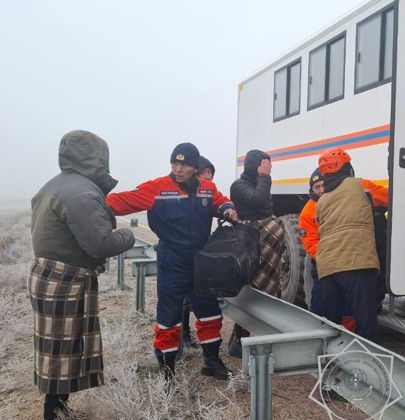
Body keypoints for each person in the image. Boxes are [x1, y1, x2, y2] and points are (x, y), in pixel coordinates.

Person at [30, 130, 136, 420]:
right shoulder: (81, 193)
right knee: (62, 354)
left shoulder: (56, 184)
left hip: (51, 276)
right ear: (96, 157)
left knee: (60, 353)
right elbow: (100, 243)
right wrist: (130, 235)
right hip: (66, 281)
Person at [106, 143, 237, 380]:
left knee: (209, 312)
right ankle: (167, 370)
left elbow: (221, 201)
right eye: (174, 163)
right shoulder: (156, 188)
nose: (177, 168)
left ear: (195, 167)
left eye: (184, 164)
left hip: (201, 261)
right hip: (172, 259)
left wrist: (228, 209)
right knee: (169, 315)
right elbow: (119, 202)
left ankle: (212, 361)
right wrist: (90, 202)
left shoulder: (207, 188)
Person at [299, 168, 388, 331]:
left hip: (347, 256)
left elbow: (385, 197)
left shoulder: (347, 195)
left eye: (322, 185)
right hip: (326, 260)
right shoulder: (308, 211)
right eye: (315, 188)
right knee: (324, 305)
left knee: (353, 305)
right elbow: (311, 243)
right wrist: (331, 256)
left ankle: (350, 334)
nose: (320, 190)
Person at [314, 148, 381, 340]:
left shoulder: (321, 201)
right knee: (366, 326)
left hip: (327, 267)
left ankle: (332, 365)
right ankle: (365, 366)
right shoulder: (361, 185)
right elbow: (388, 197)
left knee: (332, 327)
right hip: (356, 262)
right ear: (349, 169)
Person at [227, 149, 286, 357]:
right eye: (264, 164)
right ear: (254, 166)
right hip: (252, 243)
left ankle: (266, 339)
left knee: (271, 287)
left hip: (269, 246)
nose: (268, 168)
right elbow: (259, 201)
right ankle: (239, 340)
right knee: (250, 286)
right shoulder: (239, 186)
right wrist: (264, 177)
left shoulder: (261, 182)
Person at [179, 154, 217, 350]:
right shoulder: (182, 192)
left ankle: (201, 339)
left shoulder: (208, 193)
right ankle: (183, 334)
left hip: (200, 251)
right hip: (180, 252)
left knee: (197, 293)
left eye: (211, 171)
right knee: (183, 296)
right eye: (205, 171)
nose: (209, 175)